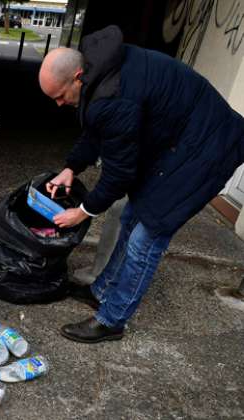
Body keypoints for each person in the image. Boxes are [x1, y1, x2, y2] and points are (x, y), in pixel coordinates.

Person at [38, 25, 244, 343]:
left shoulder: (113, 96)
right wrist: (71, 168)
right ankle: (102, 290)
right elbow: (98, 128)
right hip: (180, 140)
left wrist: (83, 211)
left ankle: (112, 320)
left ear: (78, 76)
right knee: (131, 215)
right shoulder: (100, 72)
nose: (59, 104)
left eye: (60, 96)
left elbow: (118, 173)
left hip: (206, 149)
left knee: (145, 240)